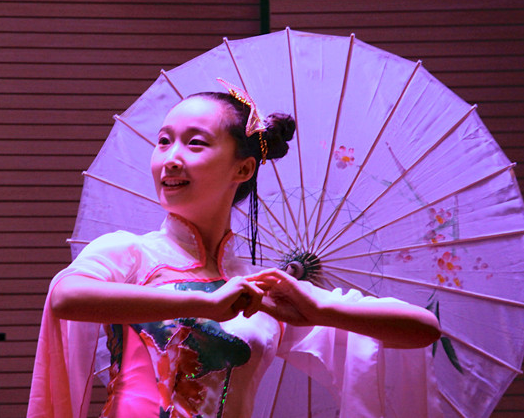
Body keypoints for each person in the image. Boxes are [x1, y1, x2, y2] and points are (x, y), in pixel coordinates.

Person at [28, 85, 442, 418]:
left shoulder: (259, 291)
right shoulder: (130, 253)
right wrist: (206, 304)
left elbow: (422, 329)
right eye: (163, 142)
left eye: (195, 144)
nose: (170, 159)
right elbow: (66, 297)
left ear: (243, 169)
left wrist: (318, 310)